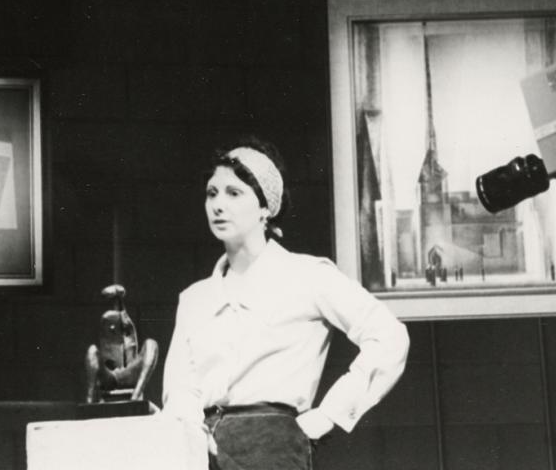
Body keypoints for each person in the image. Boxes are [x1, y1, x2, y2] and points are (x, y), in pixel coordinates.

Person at [161, 140, 410, 470]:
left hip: (273, 449)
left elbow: (390, 337)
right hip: (201, 453)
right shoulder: (195, 298)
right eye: (212, 193)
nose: (218, 205)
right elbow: (180, 390)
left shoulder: (307, 275)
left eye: (234, 193)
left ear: (266, 207)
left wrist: (327, 415)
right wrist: (192, 439)